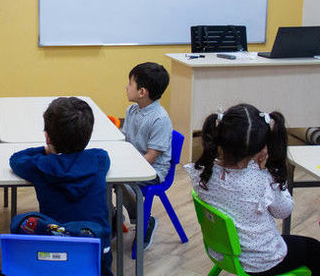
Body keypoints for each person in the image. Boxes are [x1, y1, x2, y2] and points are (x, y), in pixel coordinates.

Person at [185, 104, 320, 275]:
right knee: (314, 248)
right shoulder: (262, 179)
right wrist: (272, 173)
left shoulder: (202, 172)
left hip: (223, 252)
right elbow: (284, 211)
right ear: (260, 148)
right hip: (261, 260)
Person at [9, 97, 113, 276]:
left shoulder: (41, 166)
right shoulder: (99, 159)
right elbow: (99, 155)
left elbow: (16, 159)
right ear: (87, 136)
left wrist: (46, 149)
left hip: (55, 256)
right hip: (96, 255)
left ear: (47, 136)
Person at [120, 62, 172, 249]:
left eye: (130, 84)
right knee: (101, 176)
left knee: (120, 182)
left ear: (142, 92)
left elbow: (152, 155)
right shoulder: (132, 110)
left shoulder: (159, 118)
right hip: (135, 163)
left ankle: (144, 221)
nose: (126, 87)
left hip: (152, 170)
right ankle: (111, 219)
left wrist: (128, 171)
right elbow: (125, 141)